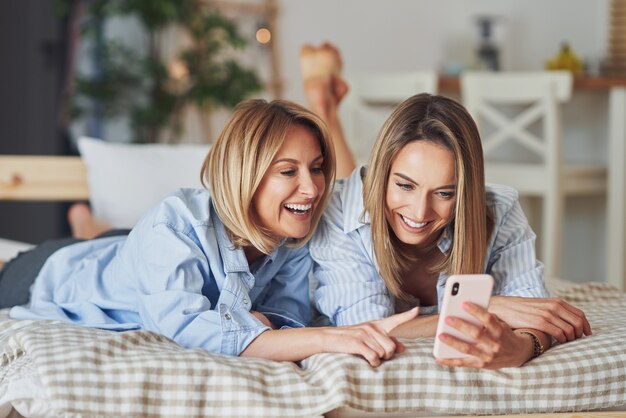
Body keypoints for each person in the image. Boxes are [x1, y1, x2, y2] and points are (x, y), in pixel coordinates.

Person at [0, 99, 418, 366]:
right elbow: (189, 330)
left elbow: (287, 319)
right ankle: (84, 226)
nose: (312, 188)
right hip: (48, 272)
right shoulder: (173, 224)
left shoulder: (292, 238)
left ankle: (91, 227)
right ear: (245, 175)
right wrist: (331, 338)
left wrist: (268, 325)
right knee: (75, 251)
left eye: (317, 168)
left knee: (117, 240)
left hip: (126, 250)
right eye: (289, 171)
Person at [300, 43, 591, 369]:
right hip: (354, 198)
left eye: (445, 193)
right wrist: (489, 307)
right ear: (382, 172)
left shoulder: (499, 208)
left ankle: (327, 110)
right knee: (352, 191)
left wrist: (522, 347)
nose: (420, 212)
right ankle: (323, 112)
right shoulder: (338, 211)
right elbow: (365, 328)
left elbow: (532, 311)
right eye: (405, 185)